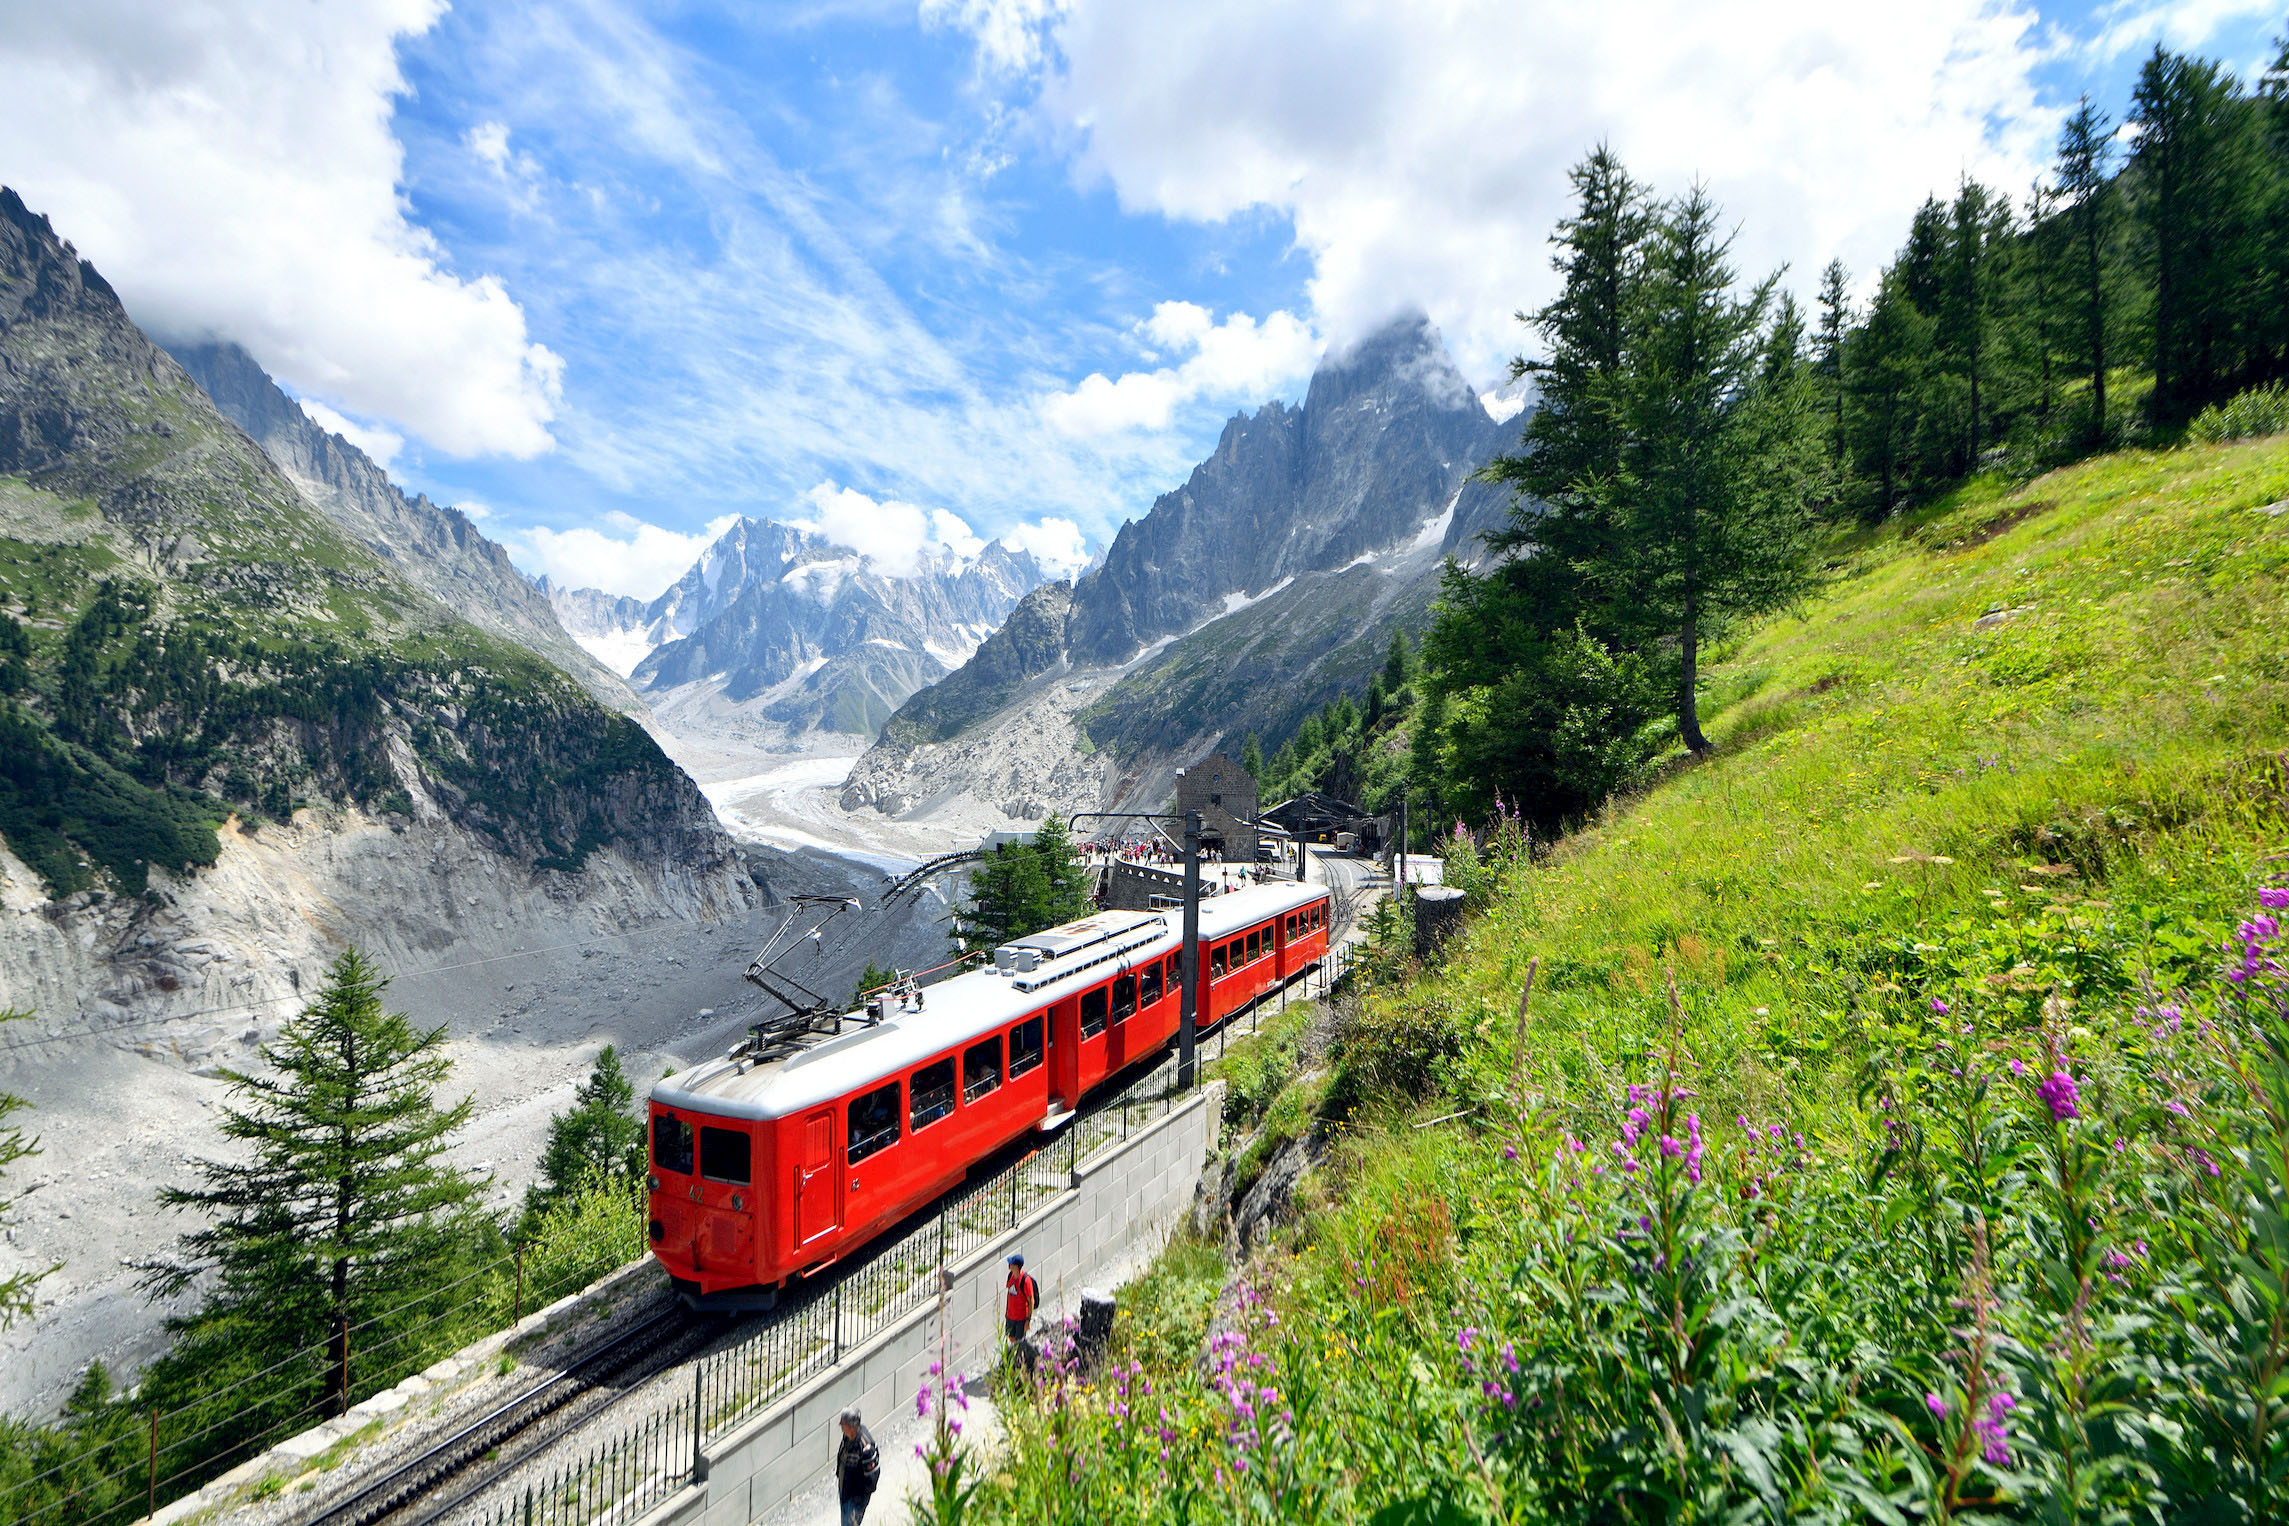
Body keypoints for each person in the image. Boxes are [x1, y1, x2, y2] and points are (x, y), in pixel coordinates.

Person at [834, 1408, 880, 1525]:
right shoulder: (847, 1437)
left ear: (850, 1427)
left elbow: (872, 1478)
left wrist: (858, 1499)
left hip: (855, 1498)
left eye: (842, 1425)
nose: (841, 1428)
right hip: (845, 1491)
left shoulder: (866, 1447)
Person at [1004, 1252, 1040, 1374]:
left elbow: (1031, 1301)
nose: (1009, 1265)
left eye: (1011, 1263)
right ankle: (1015, 1361)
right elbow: (1009, 1295)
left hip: (1020, 1318)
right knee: (1011, 1338)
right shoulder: (1010, 1276)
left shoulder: (1025, 1281)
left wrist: (1028, 1320)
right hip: (1010, 1316)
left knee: (1020, 1342)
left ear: (1016, 1266)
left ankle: (1020, 1366)